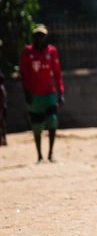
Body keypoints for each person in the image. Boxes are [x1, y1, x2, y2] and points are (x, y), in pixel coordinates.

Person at [19, 24, 64, 162]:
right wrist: (26, 92)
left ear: (45, 37)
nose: (40, 38)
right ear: (34, 37)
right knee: (37, 126)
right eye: (37, 35)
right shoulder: (27, 53)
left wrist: (60, 92)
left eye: (42, 35)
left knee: (52, 121)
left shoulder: (51, 52)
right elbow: (24, 74)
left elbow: (57, 73)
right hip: (34, 95)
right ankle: (39, 155)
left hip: (49, 93)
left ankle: (50, 153)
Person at [0, 69, 7, 146]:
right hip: (3, 108)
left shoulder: (1, 88)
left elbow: (3, 100)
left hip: (2, 108)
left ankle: (3, 139)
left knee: (2, 124)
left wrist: (1, 111)